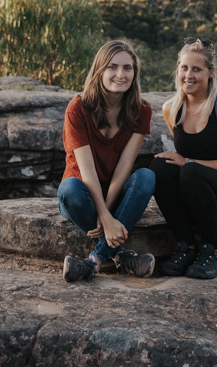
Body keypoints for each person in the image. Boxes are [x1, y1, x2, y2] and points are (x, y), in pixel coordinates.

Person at [151, 37, 217, 279]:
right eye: (184, 67)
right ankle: (185, 247)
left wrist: (190, 164)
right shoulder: (171, 108)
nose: (188, 75)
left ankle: (213, 251)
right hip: (199, 194)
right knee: (160, 166)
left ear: (210, 73)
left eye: (196, 69)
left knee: (189, 169)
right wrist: (186, 164)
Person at [57, 40, 156, 282]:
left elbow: (124, 166)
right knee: (69, 189)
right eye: (112, 67)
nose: (120, 75)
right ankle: (122, 257)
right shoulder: (77, 108)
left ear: (135, 72)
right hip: (81, 194)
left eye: (128, 68)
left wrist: (108, 215)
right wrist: (104, 216)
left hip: (115, 193)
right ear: (100, 70)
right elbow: (87, 170)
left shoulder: (141, 110)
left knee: (146, 177)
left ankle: (94, 261)